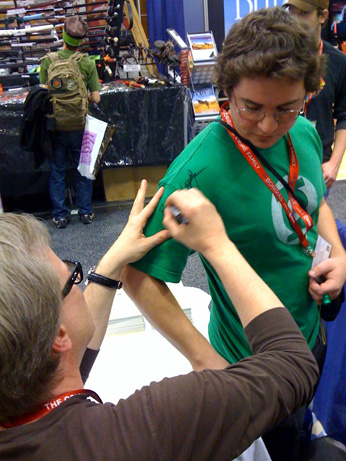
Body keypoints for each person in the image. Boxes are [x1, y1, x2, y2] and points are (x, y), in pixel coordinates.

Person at [122, 7, 346, 460]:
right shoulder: (196, 169)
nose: (268, 125)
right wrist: (204, 360)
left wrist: (338, 252)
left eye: (285, 107)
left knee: (303, 426)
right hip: (252, 363)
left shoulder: (302, 132)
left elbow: (314, 200)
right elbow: (136, 274)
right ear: (227, 92)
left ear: (307, 93)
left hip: (310, 334)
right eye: (251, 108)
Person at [0, 181, 319, 459]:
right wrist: (216, 244)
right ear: (57, 337)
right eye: (72, 276)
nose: (78, 279)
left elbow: (67, 365)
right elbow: (293, 364)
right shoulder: (136, 433)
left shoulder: (19, 401)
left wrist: (112, 263)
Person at [40, 16, 101, 229]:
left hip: (56, 125)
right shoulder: (86, 62)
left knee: (57, 170)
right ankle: (85, 212)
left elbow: (42, 93)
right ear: (81, 40)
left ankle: (60, 215)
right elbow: (96, 98)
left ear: (63, 35)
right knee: (83, 169)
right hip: (81, 125)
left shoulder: (48, 61)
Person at [285, 0, 346, 191]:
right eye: (291, 12)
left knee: (316, 219)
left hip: (318, 165)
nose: (294, 20)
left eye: (302, 13)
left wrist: (334, 164)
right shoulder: (278, 55)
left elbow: (344, 116)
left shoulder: (337, 62)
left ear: (323, 16)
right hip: (279, 162)